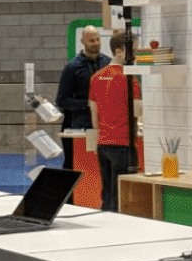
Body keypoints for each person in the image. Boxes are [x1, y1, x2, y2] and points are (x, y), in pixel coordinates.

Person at [86, 30, 138, 212]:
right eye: (133, 51)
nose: (135, 56)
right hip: (123, 143)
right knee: (122, 196)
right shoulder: (129, 78)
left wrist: (100, 139)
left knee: (107, 194)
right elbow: (138, 110)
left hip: (103, 144)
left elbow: (94, 114)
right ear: (119, 52)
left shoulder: (96, 77)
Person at [54, 25, 108, 131]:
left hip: (106, 123)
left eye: (98, 40)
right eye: (91, 41)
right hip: (81, 125)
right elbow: (62, 101)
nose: (96, 43)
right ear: (82, 41)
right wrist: (89, 103)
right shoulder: (72, 68)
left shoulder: (107, 63)